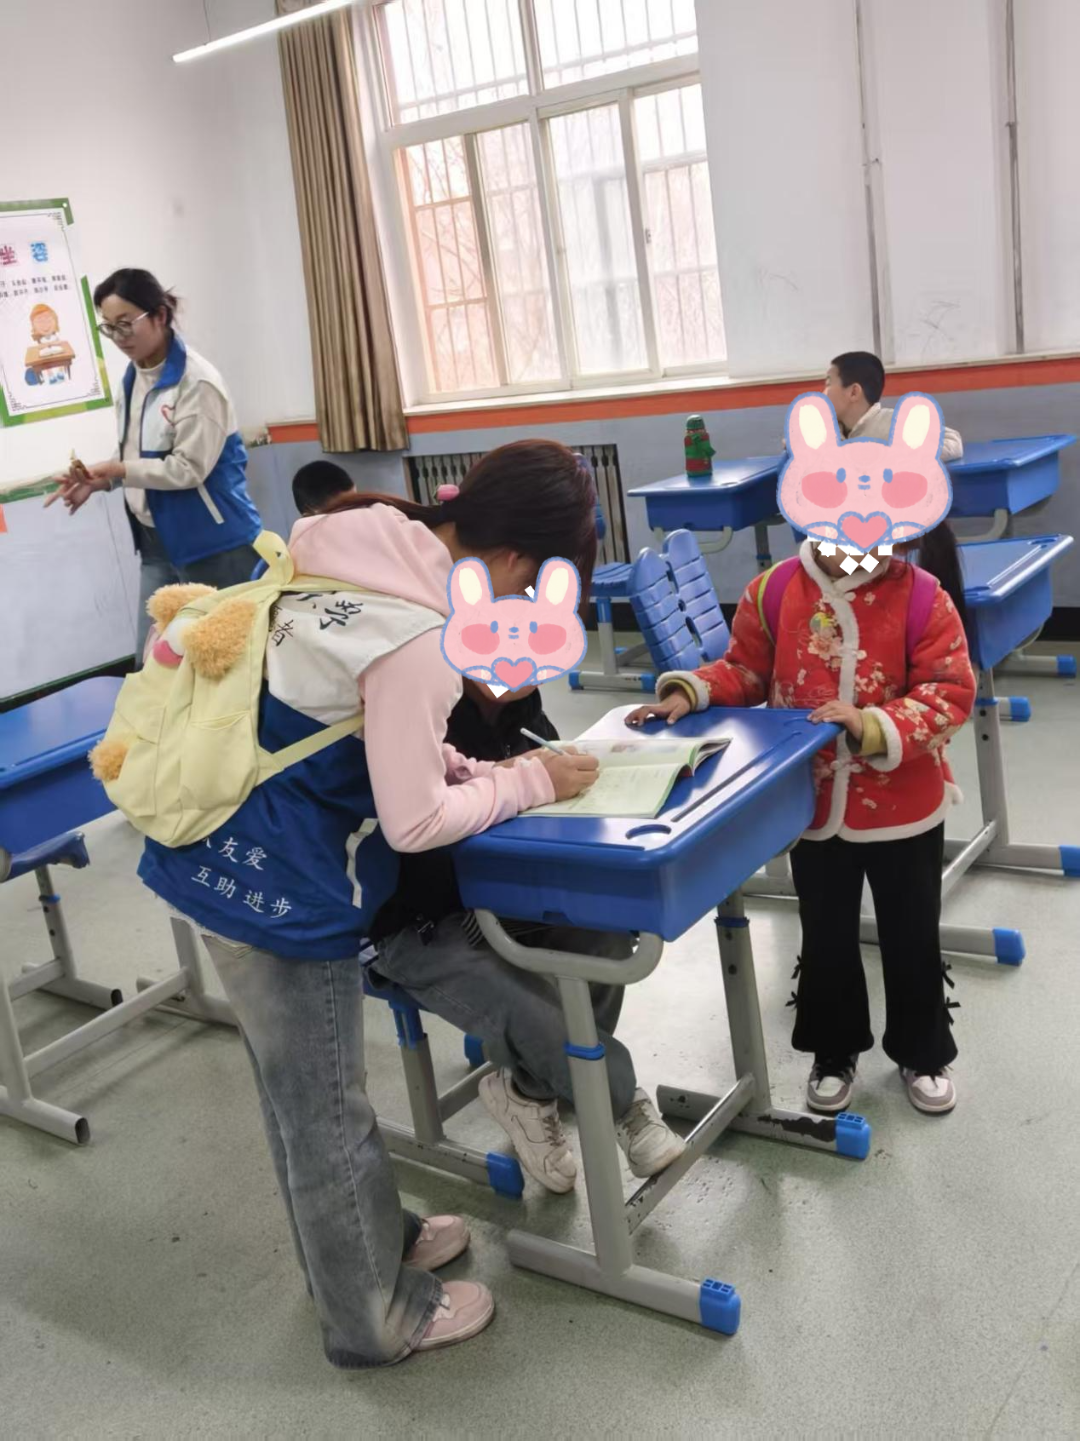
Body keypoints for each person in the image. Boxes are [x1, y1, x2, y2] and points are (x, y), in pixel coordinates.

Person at [134, 440, 682, 1367]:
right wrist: (523, 783)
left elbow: (378, 736)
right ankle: (375, 1316)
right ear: (514, 562)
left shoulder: (368, 543)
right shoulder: (421, 634)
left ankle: (371, 1242)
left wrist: (492, 770)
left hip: (229, 834)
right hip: (274, 875)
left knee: (299, 1097)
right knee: (323, 1105)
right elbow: (417, 820)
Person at [626, 520, 976, 1119]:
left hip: (905, 807)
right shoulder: (774, 590)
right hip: (809, 804)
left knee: (912, 932)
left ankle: (922, 1052)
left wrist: (871, 725)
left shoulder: (923, 596)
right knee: (825, 934)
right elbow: (744, 671)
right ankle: (833, 1051)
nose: (860, 550)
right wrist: (691, 691)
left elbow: (949, 693)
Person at [45, 269, 262, 658]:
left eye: (126, 324)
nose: (119, 337)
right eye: (109, 327)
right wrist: (101, 480)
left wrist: (120, 471)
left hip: (213, 543)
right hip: (156, 544)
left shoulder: (197, 382)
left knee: (233, 660)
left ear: (160, 315)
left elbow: (188, 469)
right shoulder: (133, 378)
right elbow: (137, 455)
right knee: (152, 664)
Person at [823, 350, 964, 459]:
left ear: (854, 392)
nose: (823, 393)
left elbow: (952, 440)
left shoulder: (894, 424)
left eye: (829, 384)